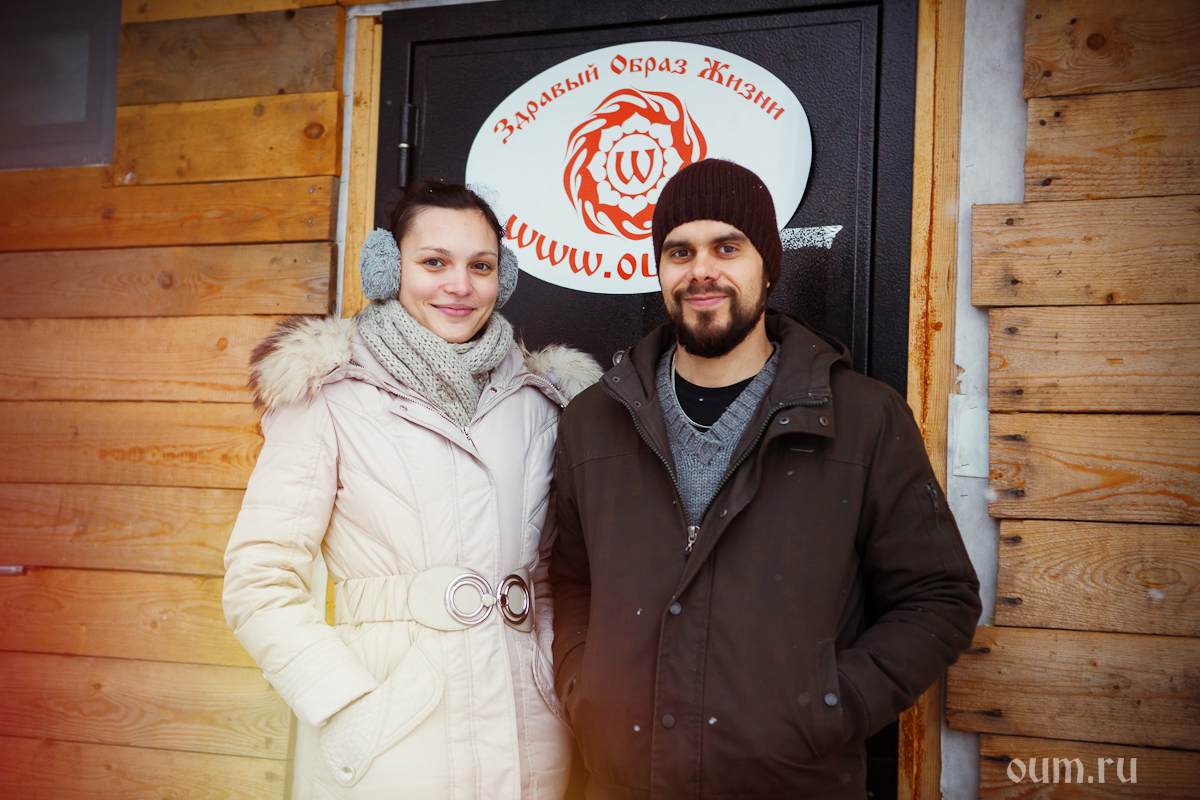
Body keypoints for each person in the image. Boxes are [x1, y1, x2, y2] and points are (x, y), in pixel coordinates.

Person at [549, 159, 981, 799]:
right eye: (680, 251)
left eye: (728, 247)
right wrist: (585, 690)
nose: (701, 271)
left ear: (768, 266)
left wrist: (831, 704)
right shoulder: (594, 420)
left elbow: (939, 597)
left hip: (793, 782)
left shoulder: (863, 418)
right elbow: (570, 581)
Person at [223, 180, 600, 799]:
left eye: (480, 266)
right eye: (434, 263)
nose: (460, 286)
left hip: (530, 743)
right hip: (388, 743)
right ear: (388, 268)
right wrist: (344, 701)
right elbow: (259, 577)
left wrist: (555, 686)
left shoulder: (542, 404)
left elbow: (556, 579)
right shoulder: (329, 396)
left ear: (502, 278)